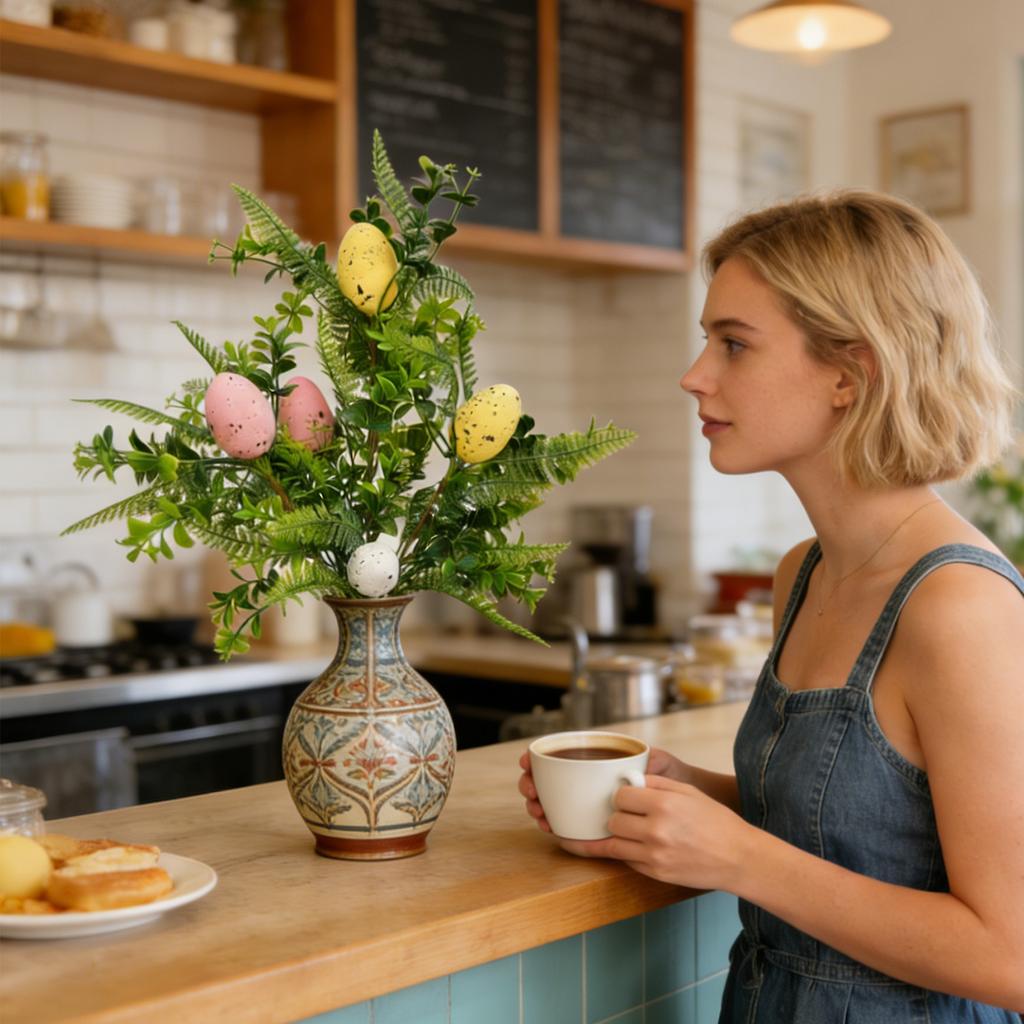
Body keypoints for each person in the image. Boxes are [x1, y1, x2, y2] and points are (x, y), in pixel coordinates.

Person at [518, 189, 1024, 1021]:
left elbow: (1010, 954)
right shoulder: (805, 573)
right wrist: (691, 794)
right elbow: (864, 828)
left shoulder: (959, 606)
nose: (695, 376)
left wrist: (740, 859)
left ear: (850, 374)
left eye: (734, 344)